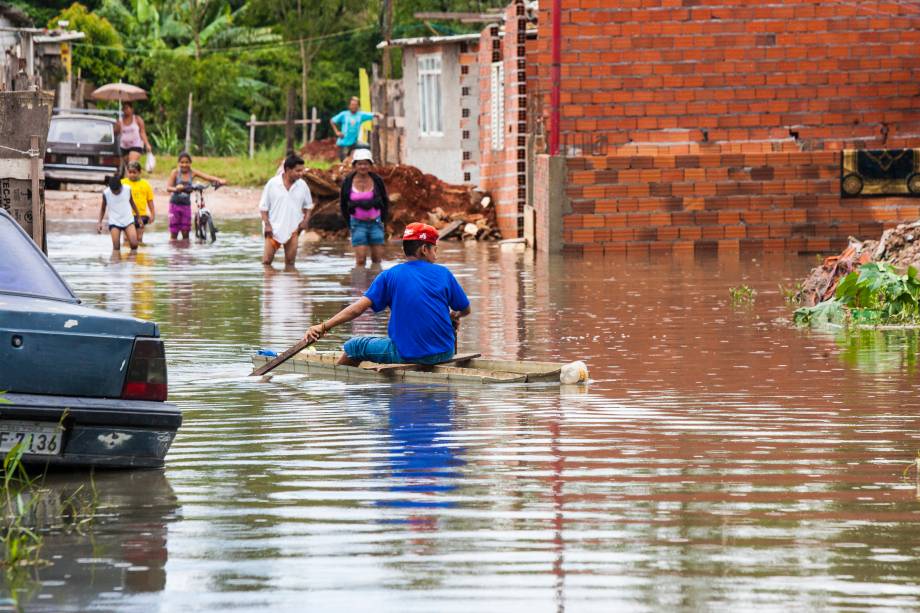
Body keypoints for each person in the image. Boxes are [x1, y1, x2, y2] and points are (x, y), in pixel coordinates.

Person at [304, 222, 471, 366]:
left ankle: (341, 384)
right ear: (424, 250)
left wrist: (323, 326)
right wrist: (453, 316)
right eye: (435, 249)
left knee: (355, 346)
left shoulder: (390, 275)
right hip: (445, 352)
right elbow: (465, 309)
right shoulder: (444, 273)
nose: (436, 254)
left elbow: (357, 310)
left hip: (407, 355)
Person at [259, 153, 313, 267]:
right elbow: (263, 208)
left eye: (302, 170)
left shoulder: (302, 186)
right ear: (288, 169)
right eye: (298, 171)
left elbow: (308, 206)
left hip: (293, 230)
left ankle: (290, 284)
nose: (301, 174)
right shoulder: (272, 184)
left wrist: (306, 221)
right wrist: (267, 225)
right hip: (273, 230)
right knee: (266, 263)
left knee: (290, 264)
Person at [340, 148, 389, 267]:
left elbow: (385, 201)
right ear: (354, 165)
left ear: (370, 165)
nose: (363, 167)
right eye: (360, 164)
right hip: (357, 224)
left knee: (377, 260)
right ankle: (360, 285)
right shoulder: (348, 182)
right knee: (360, 260)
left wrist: (384, 221)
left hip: (376, 223)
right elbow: (343, 204)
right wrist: (349, 224)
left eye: (366, 163)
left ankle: (376, 284)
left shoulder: (377, 181)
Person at [166, 152, 226, 240]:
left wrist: (219, 180)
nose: (184, 165)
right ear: (178, 163)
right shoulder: (175, 173)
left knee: (186, 232)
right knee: (174, 233)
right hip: (175, 205)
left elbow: (207, 177)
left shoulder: (192, 172)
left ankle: (185, 252)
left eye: (187, 162)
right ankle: (174, 252)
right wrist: (176, 189)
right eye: (182, 162)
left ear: (190, 163)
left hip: (186, 205)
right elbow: (168, 188)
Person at [97, 174, 139, 252]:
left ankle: (131, 262)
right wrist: (99, 222)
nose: (116, 193)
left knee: (134, 245)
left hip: (128, 220)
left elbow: (132, 203)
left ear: (121, 186)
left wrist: (139, 218)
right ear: (110, 188)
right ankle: (116, 263)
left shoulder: (127, 189)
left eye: (118, 190)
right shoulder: (106, 193)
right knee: (116, 248)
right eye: (114, 191)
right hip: (114, 222)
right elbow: (103, 209)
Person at [330, 96, 379, 161]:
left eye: (356, 105)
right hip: (345, 142)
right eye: (352, 105)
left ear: (358, 106)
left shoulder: (360, 115)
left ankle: (365, 163)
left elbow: (370, 115)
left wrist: (378, 114)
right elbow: (332, 120)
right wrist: (337, 132)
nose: (354, 107)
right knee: (344, 161)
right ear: (349, 106)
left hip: (354, 142)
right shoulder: (344, 114)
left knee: (366, 146)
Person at [122, 161, 155, 244]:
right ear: (127, 172)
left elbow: (150, 200)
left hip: (141, 215)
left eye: (134, 172)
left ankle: (139, 256)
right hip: (126, 215)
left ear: (140, 172)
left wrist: (152, 214)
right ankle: (126, 256)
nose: (132, 174)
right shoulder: (122, 183)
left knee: (139, 239)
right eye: (130, 172)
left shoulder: (145, 185)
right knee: (126, 239)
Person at [114, 101, 152, 168]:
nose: (125, 110)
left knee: (132, 164)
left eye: (127, 108)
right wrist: (117, 126)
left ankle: (132, 176)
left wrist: (147, 144)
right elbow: (116, 132)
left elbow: (142, 132)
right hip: (124, 147)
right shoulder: (120, 121)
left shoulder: (137, 119)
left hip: (136, 145)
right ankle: (134, 176)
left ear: (132, 109)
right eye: (124, 108)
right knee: (128, 167)